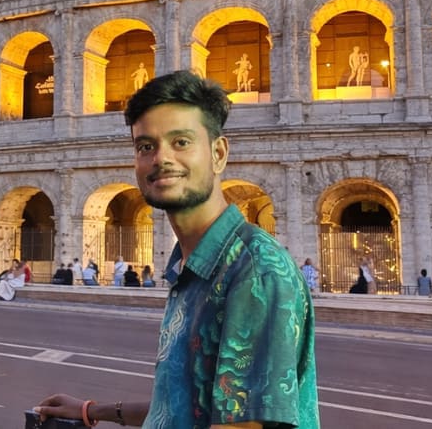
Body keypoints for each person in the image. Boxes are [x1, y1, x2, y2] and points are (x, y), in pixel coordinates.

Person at [37, 70, 319, 428]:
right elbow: (185, 407)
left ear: (218, 154)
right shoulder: (195, 265)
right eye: (146, 146)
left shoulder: (254, 270)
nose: (161, 158)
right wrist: (94, 411)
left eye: (181, 142)